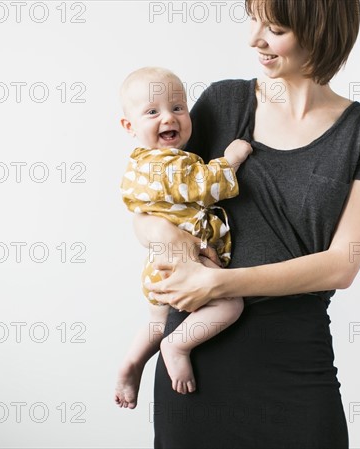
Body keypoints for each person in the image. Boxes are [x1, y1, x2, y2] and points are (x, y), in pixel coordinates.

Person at [135, 1, 360, 447]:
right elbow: (149, 207)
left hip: (296, 367)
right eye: (254, 20)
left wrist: (218, 284)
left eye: (275, 28)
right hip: (194, 360)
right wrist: (172, 244)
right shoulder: (223, 102)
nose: (254, 39)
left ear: (319, 30)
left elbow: (342, 265)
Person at [114, 67, 252, 403]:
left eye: (177, 107)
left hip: (158, 268)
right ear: (129, 126)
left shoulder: (141, 164)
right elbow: (205, 187)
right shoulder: (168, 164)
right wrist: (231, 158)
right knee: (231, 304)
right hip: (182, 265)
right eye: (152, 112)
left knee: (158, 320)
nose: (168, 118)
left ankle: (132, 362)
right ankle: (177, 346)